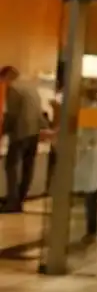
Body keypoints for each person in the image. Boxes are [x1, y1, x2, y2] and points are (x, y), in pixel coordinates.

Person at [0, 65, 45, 213]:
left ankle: (12, 202)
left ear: (6, 77)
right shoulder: (32, 87)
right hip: (34, 133)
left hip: (20, 132)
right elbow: (40, 112)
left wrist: (2, 132)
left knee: (11, 166)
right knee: (28, 167)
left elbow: (12, 115)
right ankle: (20, 199)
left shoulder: (13, 89)